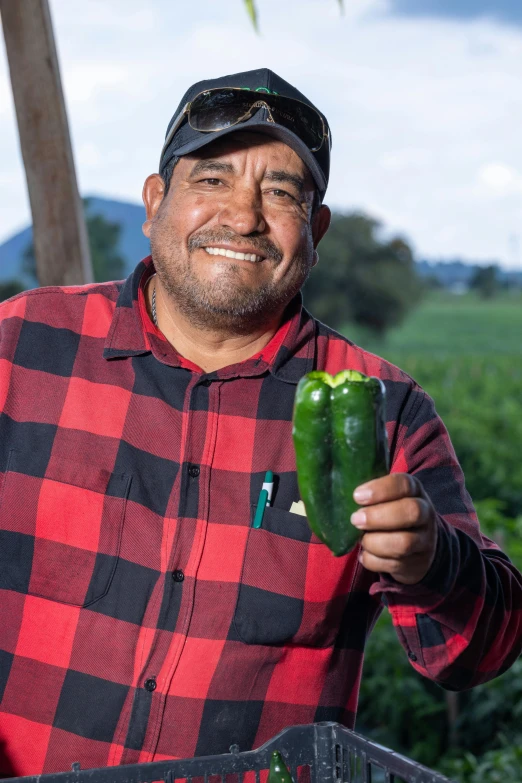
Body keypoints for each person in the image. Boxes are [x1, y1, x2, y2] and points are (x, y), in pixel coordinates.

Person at [0, 68, 521, 777]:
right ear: (155, 203)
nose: (243, 217)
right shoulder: (22, 346)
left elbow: (482, 652)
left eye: (280, 192)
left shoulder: (384, 410)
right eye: (211, 180)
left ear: (317, 229)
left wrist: (435, 563)